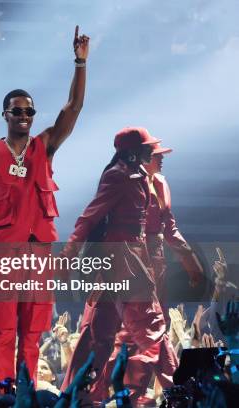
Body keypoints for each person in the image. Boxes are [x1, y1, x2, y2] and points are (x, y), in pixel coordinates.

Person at [0, 25, 90, 383]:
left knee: (32, 336)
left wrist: (79, 64)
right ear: (4, 114)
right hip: (3, 254)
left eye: (30, 111)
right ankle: (3, 397)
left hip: (37, 254)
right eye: (17, 111)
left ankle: (26, 395)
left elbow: (74, 106)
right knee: (2, 334)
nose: (24, 116)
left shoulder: (45, 146)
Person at [59, 127, 178, 404]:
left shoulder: (135, 175)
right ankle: (181, 393)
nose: (152, 150)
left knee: (100, 337)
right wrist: (67, 255)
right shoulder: (119, 176)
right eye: (147, 146)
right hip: (125, 261)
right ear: (132, 151)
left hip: (122, 261)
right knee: (153, 330)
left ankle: (82, 396)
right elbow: (88, 218)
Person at [97, 142, 204, 404]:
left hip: (156, 265)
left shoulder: (162, 183)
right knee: (145, 332)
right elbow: (104, 227)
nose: (161, 158)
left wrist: (190, 262)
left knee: (144, 333)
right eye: (156, 155)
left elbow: (170, 227)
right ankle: (176, 390)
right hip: (131, 264)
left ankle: (136, 395)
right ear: (141, 158)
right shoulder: (126, 182)